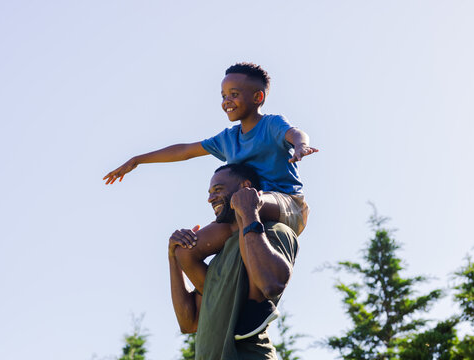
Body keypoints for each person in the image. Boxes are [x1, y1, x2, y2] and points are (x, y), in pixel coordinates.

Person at [104, 62, 317, 338]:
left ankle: (256, 307)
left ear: (258, 97)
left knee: (245, 201)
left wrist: (300, 145)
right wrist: (138, 160)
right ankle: (224, 299)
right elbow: (184, 151)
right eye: (223, 95)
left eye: (234, 94)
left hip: (286, 204)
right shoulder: (228, 139)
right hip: (246, 207)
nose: (227, 101)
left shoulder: (270, 124)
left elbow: (295, 132)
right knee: (188, 250)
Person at [169, 164, 299, 359]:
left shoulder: (275, 231)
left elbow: (271, 284)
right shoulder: (219, 260)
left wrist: (249, 212)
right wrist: (173, 257)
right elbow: (189, 322)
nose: (210, 198)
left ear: (245, 187)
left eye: (218, 190)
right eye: (210, 193)